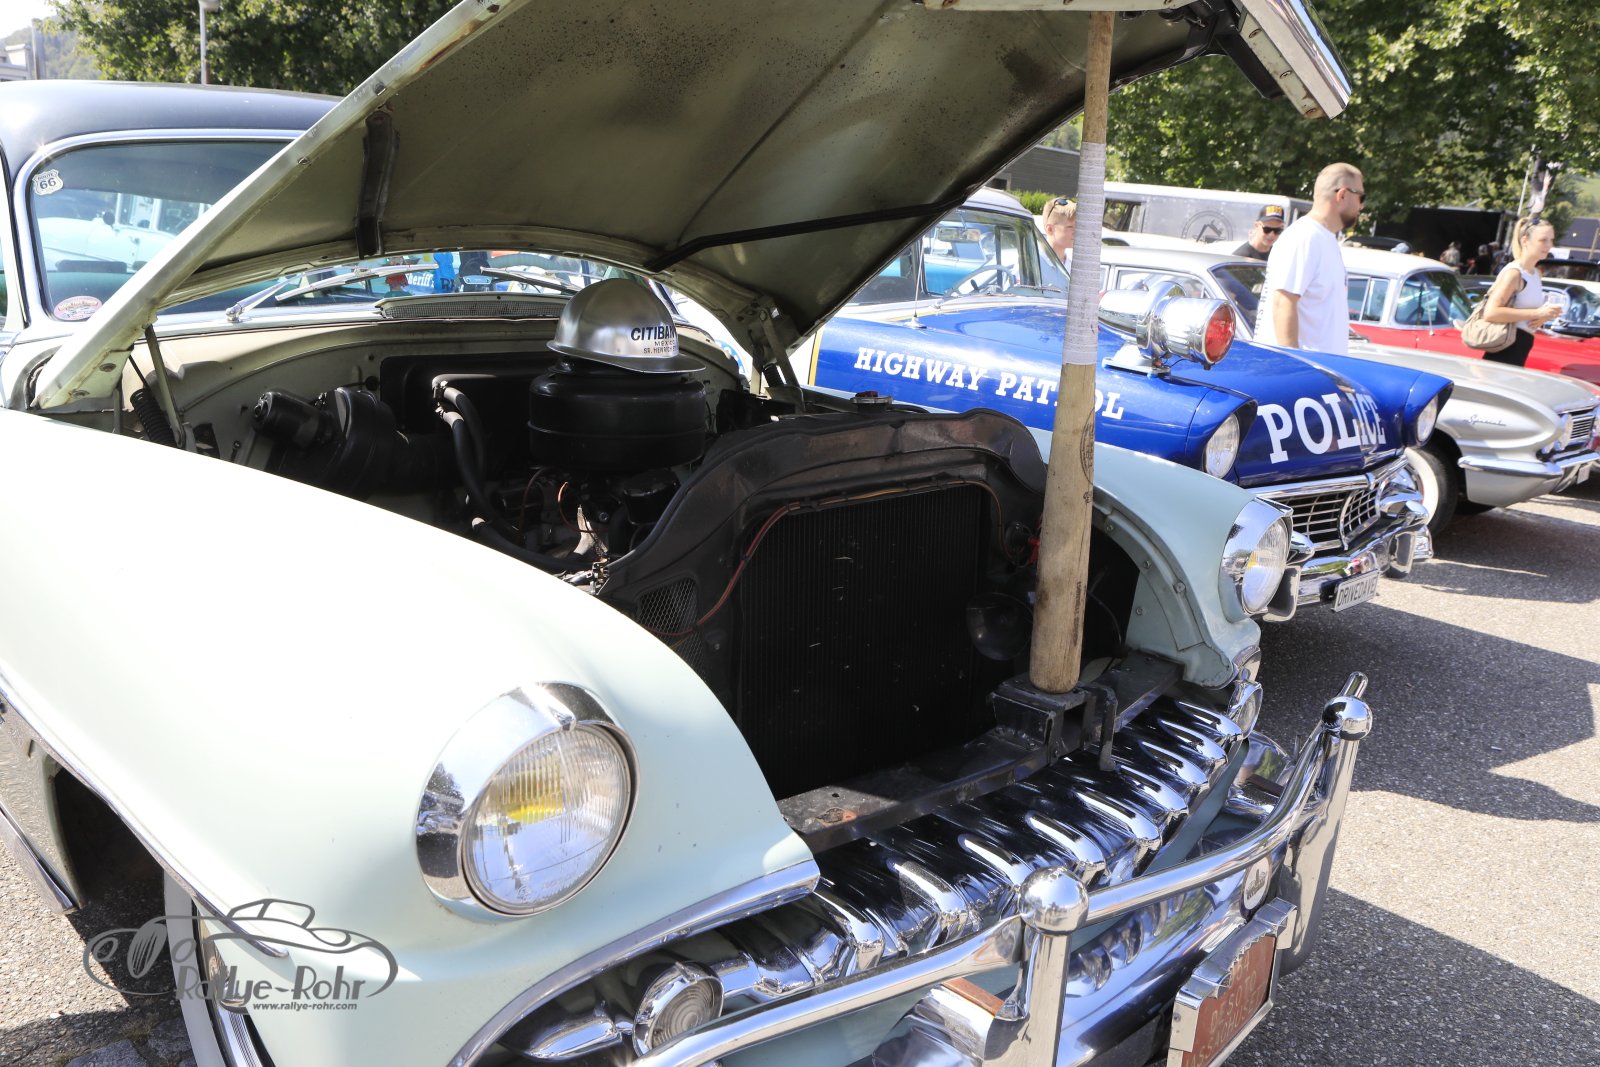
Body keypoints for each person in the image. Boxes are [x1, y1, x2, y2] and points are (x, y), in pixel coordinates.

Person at [1255, 162, 1365, 356]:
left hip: (1320, 369)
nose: (1361, 205)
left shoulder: (1324, 238)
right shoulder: (1305, 237)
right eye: (1361, 197)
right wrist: (1296, 367)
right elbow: (1283, 303)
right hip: (1301, 371)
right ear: (1342, 195)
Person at [1478, 217, 1562, 368]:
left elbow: (1526, 312)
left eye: (1551, 240)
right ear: (1525, 240)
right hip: (1505, 347)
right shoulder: (1514, 273)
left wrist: (1543, 316)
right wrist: (1537, 313)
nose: (1549, 245)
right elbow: (1491, 313)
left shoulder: (1535, 274)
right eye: (1543, 240)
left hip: (1520, 346)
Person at [1041, 196, 1075, 263]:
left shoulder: (1071, 266)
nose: (1076, 232)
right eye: (1070, 227)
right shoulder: (1033, 264)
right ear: (1050, 229)